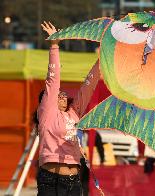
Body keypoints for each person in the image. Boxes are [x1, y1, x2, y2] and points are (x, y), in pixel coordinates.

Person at [35, 21, 100, 196]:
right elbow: (53, 80)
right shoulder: (48, 113)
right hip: (50, 180)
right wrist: (54, 46)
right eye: (58, 94)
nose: (63, 95)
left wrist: (102, 60)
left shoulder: (74, 113)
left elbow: (88, 86)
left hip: (73, 183)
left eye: (64, 94)